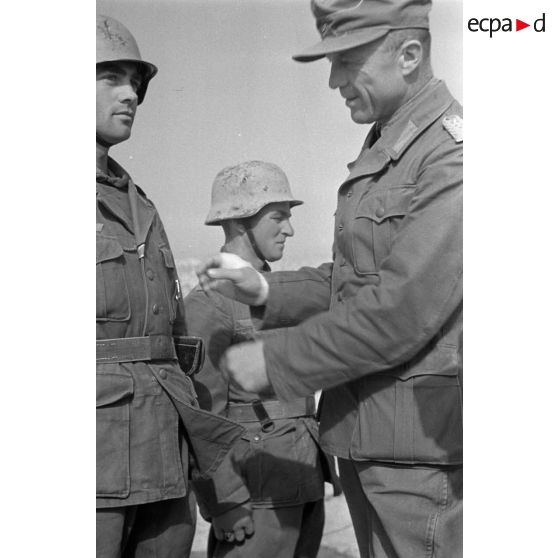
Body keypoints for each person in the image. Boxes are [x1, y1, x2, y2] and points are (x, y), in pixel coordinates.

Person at [197, 1, 463, 557]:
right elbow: (354, 279)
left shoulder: (451, 158)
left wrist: (274, 363)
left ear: (409, 55)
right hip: (375, 440)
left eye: (347, 61)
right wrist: (269, 290)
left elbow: (401, 308)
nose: (334, 80)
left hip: (420, 454)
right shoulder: (394, 148)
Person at [96, 15, 244, 558]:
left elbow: (181, 354)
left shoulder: (140, 205)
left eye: (135, 82)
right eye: (110, 77)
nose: (131, 93)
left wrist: (219, 492)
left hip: (163, 462)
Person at [184, 161, 331, 558]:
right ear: (238, 222)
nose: (290, 229)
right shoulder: (210, 302)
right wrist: (225, 501)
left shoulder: (280, 294)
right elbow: (201, 414)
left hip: (301, 477)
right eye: (278, 217)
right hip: (255, 494)